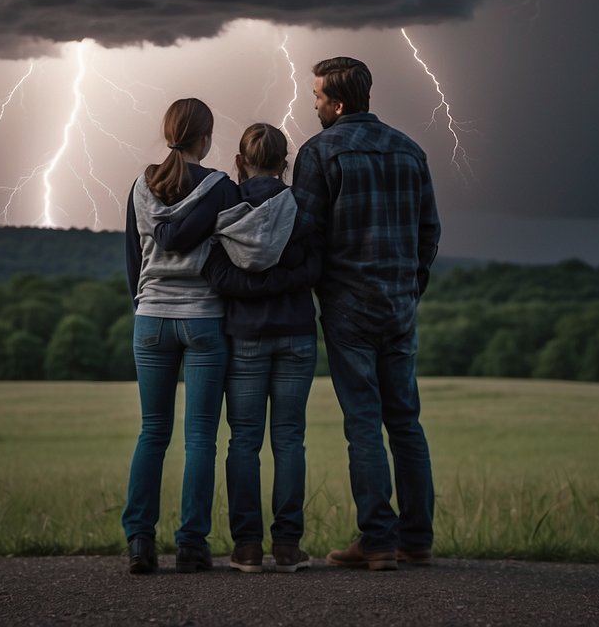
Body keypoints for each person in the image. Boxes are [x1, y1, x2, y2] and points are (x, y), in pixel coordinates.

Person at [291, 56, 441, 571]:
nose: (311, 105)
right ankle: (417, 539)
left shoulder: (319, 153)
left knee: (363, 424)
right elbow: (430, 232)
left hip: (348, 306)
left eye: (315, 97)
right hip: (399, 305)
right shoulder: (410, 151)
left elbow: (306, 235)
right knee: (405, 422)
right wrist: (409, 286)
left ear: (336, 102)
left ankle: (377, 541)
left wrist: (317, 294)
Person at [153, 123, 320, 574]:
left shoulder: (227, 202)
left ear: (240, 163)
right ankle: (287, 546)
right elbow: (316, 268)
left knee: (244, 441)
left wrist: (253, 289)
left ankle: (246, 547)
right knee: (289, 440)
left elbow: (216, 273)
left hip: (245, 336)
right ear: (285, 163)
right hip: (298, 335)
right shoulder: (303, 207)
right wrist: (282, 282)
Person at [121, 97, 245, 574]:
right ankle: (192, 544)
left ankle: (140, 541)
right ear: (206, 138)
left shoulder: (139, 185)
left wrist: (145, 305)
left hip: (150, 319)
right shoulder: (220, 187)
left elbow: (133, 260)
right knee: (200, 439)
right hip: (204, 320)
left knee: (152, 432)